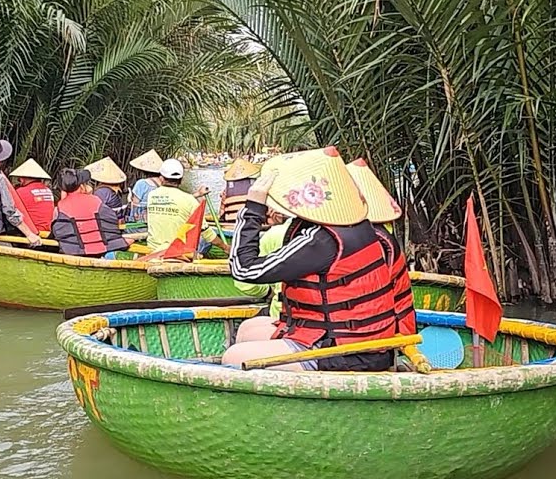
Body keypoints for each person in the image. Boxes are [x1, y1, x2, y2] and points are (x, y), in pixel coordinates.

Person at [221, 147, 417, 372]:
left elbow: (244, 269)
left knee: (233, 356)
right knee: (247, 329)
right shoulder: (365, 230)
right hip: (359, 342)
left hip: (345, 350)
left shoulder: (323, 240)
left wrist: (254, 207)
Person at [143, 158, 228, 257]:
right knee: (205, 240)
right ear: (181, 180)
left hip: (154, 249)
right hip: (178, 250)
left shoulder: (151, 196)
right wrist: (225, 247)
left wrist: (198, 194)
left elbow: (174, 200)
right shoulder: (189, 201)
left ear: (161, 178)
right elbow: (206, 232)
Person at [49, 168, 136, 258]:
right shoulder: (96, 201)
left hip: (74, 251)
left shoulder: (59, 208)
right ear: (82, 186)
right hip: (106, 249)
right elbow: (112, 222)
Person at [10, 159, 55, 235]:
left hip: (31, 232)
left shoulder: (20, 192)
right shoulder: (48, 191)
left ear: (22, 178)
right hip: (48, 232)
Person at [87, 156, 129, 225]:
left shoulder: (102, 191)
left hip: (108, 223)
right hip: (117, 220)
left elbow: (94, 208)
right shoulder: (116, 189)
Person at [219, 157, 260, 224]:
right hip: (252, 223)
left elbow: (221, 212)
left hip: (231, 222)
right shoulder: (257, 189)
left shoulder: (226, 192)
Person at [127, 149, 164, 222]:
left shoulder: (142, 183)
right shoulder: (164, 184)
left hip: (141, 222)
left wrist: (129, 199)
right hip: (156, 221)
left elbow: (135, 204)